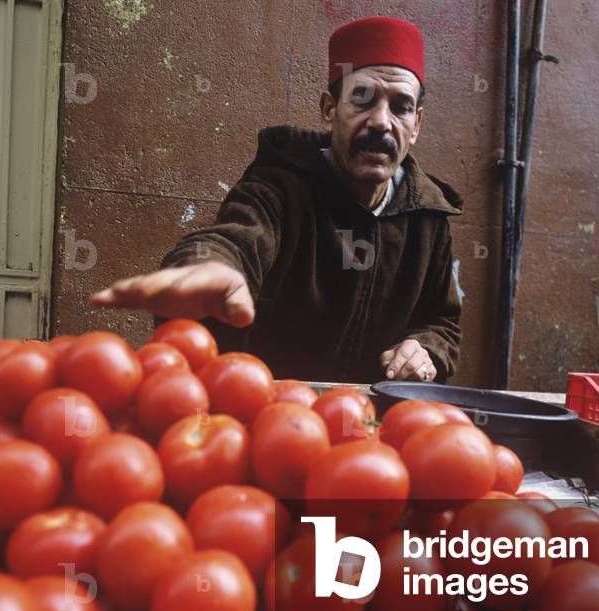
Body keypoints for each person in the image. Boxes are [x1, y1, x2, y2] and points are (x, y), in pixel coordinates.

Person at [90, 17, 463, 384]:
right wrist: (209, 267)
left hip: (368, 427)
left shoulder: (429, 217)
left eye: (400, 106)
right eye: (362, 100)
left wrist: (425, 348)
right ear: (330, 109)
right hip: (268, 414)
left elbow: (441, 322)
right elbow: (234, 240)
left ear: (416, 125)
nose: (382, 122)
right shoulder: (279, 184)